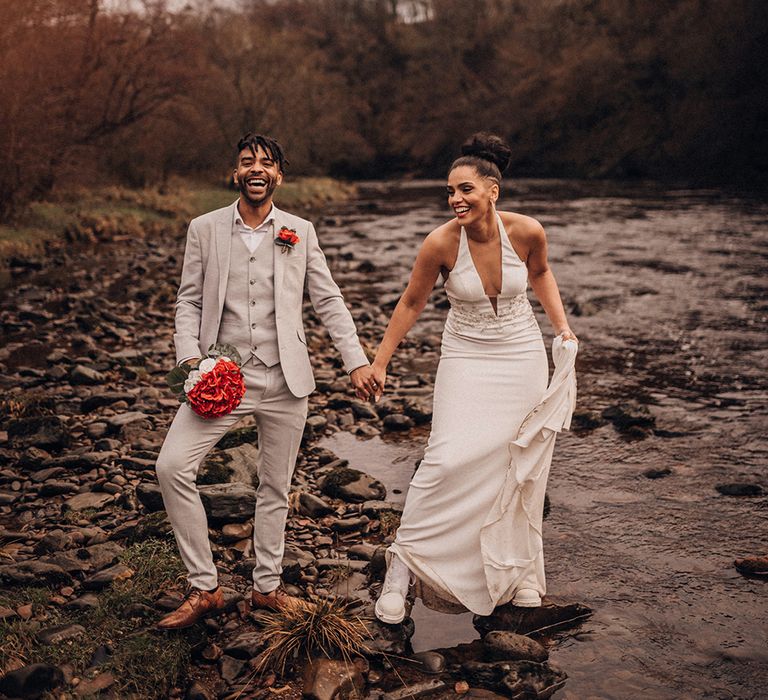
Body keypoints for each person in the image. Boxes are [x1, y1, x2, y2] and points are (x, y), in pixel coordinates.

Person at [155, 133, 377, 630]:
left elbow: (328, 301)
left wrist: (355, 361)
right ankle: (204, 587)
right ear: (236, 173)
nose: (257, 169)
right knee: (171, 467)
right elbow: (188, 300)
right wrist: (191, 359)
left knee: (275, 486)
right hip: (221, 378)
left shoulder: (300, 230)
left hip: (285, 381)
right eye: (247, 162)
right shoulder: (204, 228)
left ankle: (267, 589)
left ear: (280, 174)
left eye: (267, 163)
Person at [371, 133, 578, 623]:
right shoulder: (439, 243)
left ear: (493, 191)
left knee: (520, 462)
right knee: (443, 461)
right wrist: (379, 361)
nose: (455, 199)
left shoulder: (528, 232)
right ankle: (401, 568)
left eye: (465, 189)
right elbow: (412, 302)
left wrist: (563, 328)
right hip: (464, 354)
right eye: (450, 191)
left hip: (521, 353)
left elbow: (542, 275)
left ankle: (521, 570)